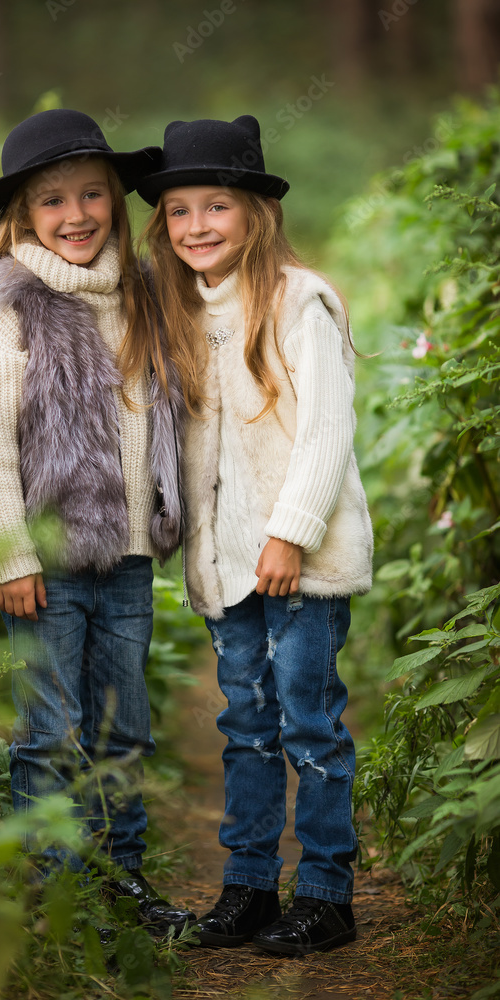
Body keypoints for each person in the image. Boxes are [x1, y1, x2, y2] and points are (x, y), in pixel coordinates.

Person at [137, 116, 373, 955]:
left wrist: (291, 534)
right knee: (244, 726)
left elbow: (324, 433)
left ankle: (326, 893)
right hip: (224, 562)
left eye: (217, 207)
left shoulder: (296, 299)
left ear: (255, 214)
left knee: (308, 723)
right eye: (178, 212)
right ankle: (247, 887)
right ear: (162, 226)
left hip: (295, 561)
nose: (197, 226)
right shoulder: (179, 309)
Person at [0, 109, 194, 933]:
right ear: (24, 216)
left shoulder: (139, 297)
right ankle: (53, 891)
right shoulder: (15, 308)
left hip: (128, 560)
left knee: (124, 729)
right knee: (52, 731)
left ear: (115, 203)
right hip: (49, 560)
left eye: (93, 194)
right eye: (53, 200)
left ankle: (120, 882)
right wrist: (10, 557)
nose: (77, 214)